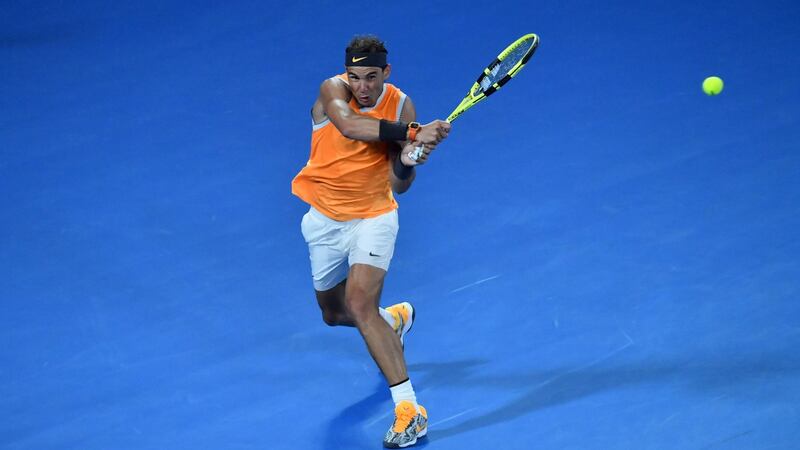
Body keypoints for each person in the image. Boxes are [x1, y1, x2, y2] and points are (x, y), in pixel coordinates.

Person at [291, 34, 451, 448]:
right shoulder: (332, 91)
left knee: (360, 304)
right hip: (324, 218)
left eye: (371, 77)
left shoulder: (400, 104)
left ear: (387, 73)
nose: (361, 86)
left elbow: (400, 184)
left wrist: (410, 157)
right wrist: (415, 133)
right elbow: (349, 125)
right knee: (334, 313)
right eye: (355, 76)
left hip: (374, 218)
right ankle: (392, 321)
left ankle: (409, 410)